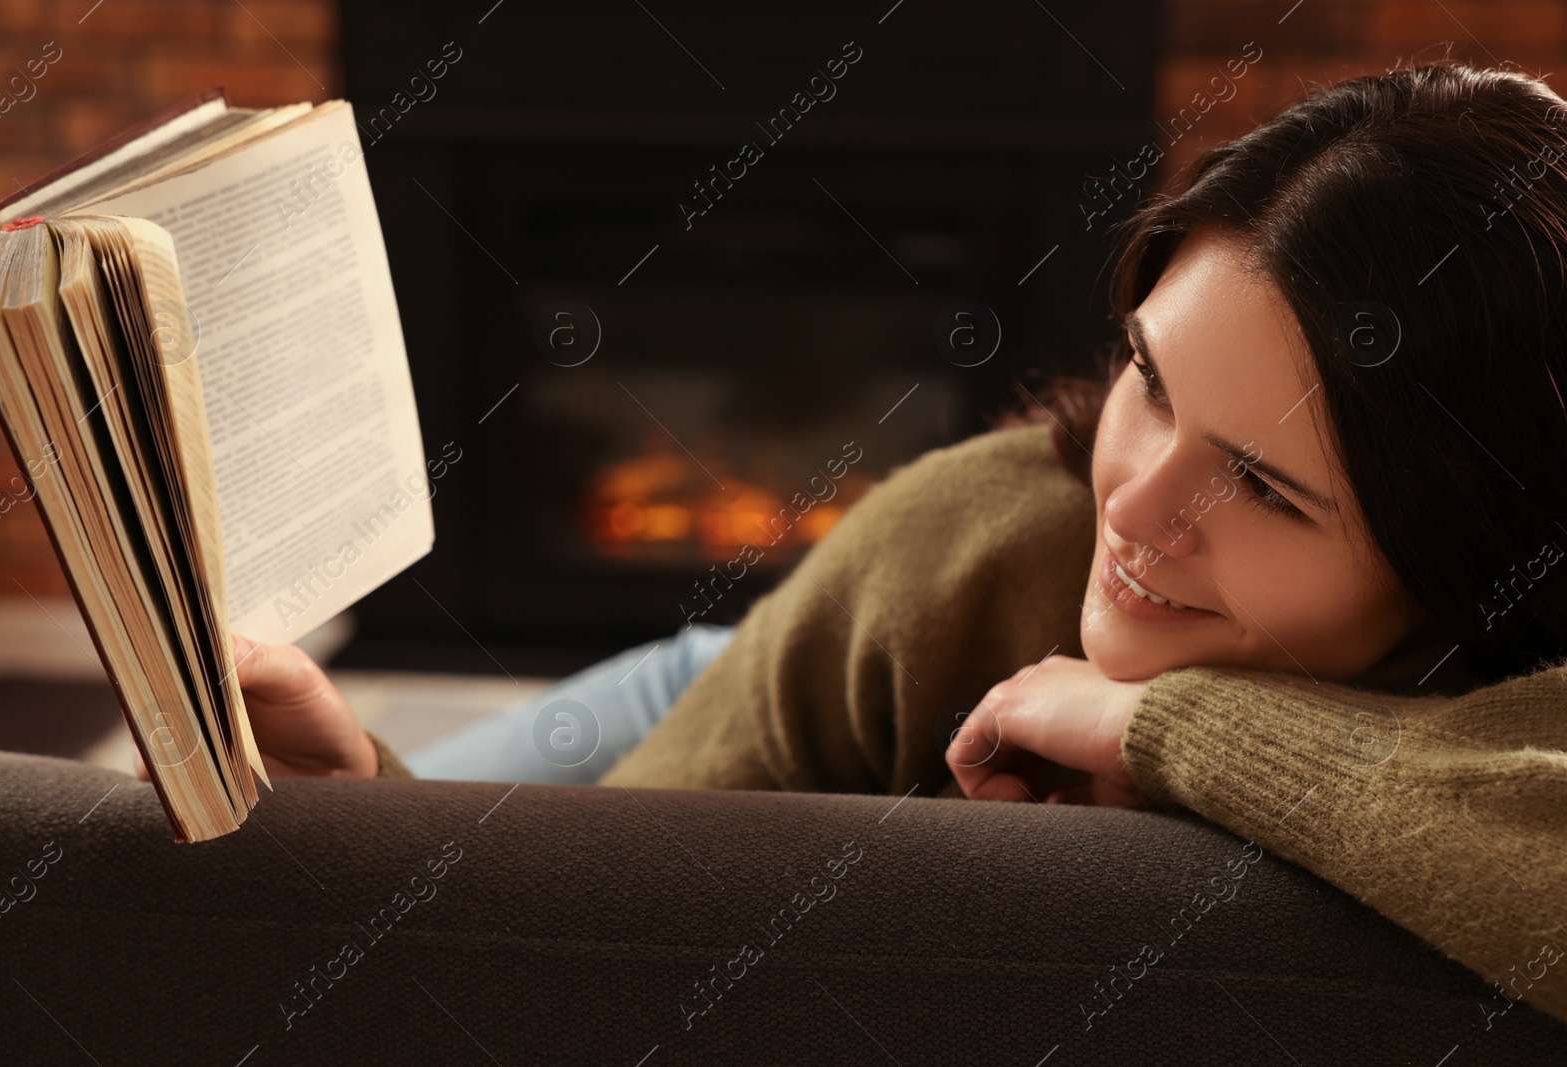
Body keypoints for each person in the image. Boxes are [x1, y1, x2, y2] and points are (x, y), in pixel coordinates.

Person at [141, 61, 1567, 1026]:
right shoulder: (978, 537)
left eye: (1258, 482)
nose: (1130, 511)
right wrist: (372, 811)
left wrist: (1162, 730)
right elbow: (590, 947)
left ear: (1472, 554)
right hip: (763, 682)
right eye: (1150, 378)